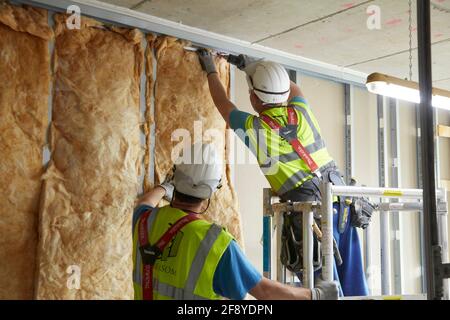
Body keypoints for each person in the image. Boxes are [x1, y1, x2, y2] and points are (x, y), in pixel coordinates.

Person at [196, 50, 370, 297]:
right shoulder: (301, 112)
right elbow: (293, 88)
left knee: (324, 288)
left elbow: (223, 104)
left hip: (311, 215)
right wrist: (254, 65)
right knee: (354, 285)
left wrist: (211, 70)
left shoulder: (254, 128)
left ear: (254, 99)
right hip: (341, 202)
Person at [132, 143, 339, 300]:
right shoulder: (215, 243)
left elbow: (145, 202)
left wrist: (165, 188)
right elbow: (264, 292)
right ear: (213, 190)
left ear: (175, 177)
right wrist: (316, 295)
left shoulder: (144, 222)